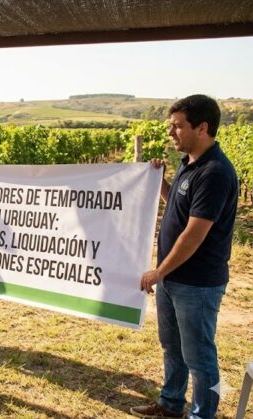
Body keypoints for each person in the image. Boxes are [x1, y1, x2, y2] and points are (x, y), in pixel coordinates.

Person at [132, 95, 238, 419]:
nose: (171, 132)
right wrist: (159, 181)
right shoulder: (190, 162)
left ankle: (202, 414)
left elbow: (194, 234)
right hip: (174, 279)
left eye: (178, 126)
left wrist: (159, 271)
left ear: (202, 127)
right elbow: (179, 204)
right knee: (173, 348)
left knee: (199, 355)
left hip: (197, 284)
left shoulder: (215, 172)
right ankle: (170, 403)